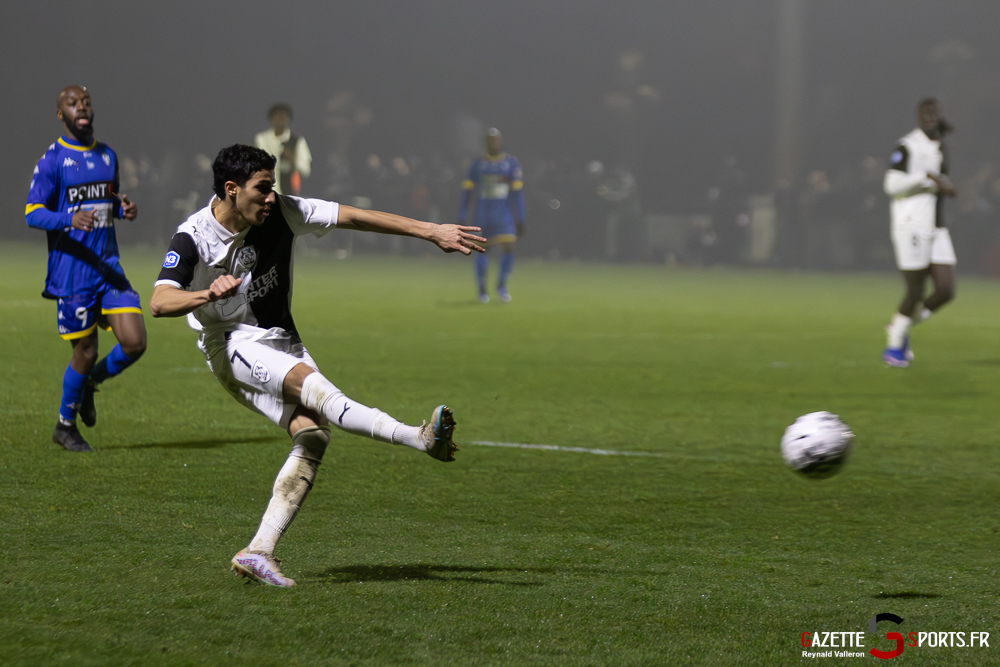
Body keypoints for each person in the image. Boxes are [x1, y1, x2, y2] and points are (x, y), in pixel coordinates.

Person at [149, 145, 485, 587]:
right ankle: (420, 439)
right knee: (324, 396)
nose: (272, 197)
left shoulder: (285, 212)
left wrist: (430, 231)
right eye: (262, 188)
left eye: (273, 187)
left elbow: (357, 217)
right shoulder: (193, 236)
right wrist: (206, 295)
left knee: (313, 435)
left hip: (281, 339)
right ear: (231, 190)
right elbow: (159, 301)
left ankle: (258, 551)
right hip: (231, 344)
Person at [25, 85, 145, 452]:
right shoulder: (52, 160)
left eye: (86, 102)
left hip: (108, 266)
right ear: (61, 115)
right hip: (73, 272)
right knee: (86, 350)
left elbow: (107, 197)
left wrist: (122, 208)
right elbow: (32, 213)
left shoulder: (107, 155)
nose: (81, 107)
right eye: (72, 103)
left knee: (135, 342)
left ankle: (90, 383)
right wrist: (67, 218)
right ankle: (65, 426)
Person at [882, 98, 957, 367]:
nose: (930, 117)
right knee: (915, 291)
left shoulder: (941, 146)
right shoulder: (907, 146)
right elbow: (891, 185)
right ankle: (893, 349)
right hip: (910, 224)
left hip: (936, 226)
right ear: (917, 116)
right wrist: (927, 178)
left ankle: (900, 327)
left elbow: (939, 182)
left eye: (934, 112)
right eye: (925, 113)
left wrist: (945, 185)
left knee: (946, 290)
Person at [458, 128, 525, 303]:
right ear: (485, 142)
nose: (493, 142)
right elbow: (467, 193)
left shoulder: (510, 163)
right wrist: (462, 214)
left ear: (500, 141)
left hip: (504, 215)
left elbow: (517, 194)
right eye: (489, 139)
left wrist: (521, 218)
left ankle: (502, 285)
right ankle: (481, 290)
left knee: (509, 247)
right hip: (483, 215)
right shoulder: (477, 165)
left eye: (495, 139)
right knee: (482, 251)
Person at [253, 103, 312, 196]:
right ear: (271, 119)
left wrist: (292, 159)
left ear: (289, 119)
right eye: (277, 116)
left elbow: (306, 170)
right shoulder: (262, 139)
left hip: (290, 193)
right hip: (267, 191)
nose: (281, 120)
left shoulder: (297, 141)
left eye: (284, 117)